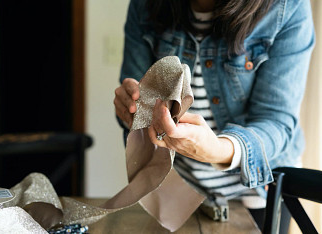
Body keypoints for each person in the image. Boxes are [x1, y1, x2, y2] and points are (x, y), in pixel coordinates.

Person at [114, 0, 315, 232]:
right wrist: (130, 110)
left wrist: (217, 150)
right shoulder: (145, 5)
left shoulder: (286, 7)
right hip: (174, 191)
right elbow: (136, 102)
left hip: (257, 193)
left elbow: (276, 122)